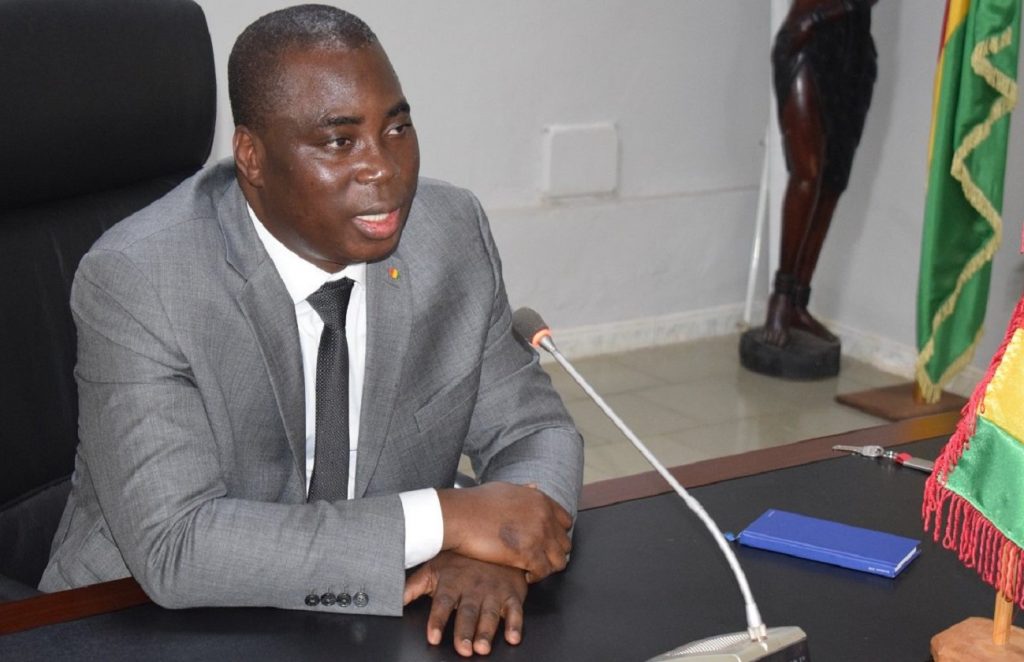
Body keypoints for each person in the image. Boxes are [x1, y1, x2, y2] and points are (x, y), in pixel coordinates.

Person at [39, 5, 583, 657]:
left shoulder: (448, 233)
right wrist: (449, 520)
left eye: (397, 128)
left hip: (372, 621)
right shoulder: (143, 279)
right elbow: (177, 546)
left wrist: (499, 551)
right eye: (339, 142)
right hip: (140, 624)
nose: (383, 169)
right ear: (252, 157)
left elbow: (535, 432)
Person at [759, 0, 877, 347]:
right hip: (806, 40)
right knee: (807, 173)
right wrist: (816, 19)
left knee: (832, 180)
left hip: (854, 52)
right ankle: (781, 297)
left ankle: (798, 301)